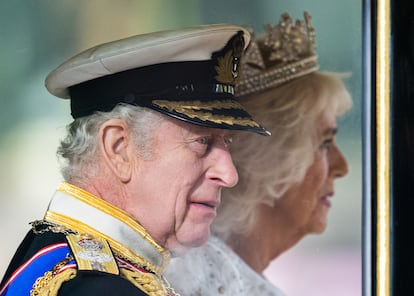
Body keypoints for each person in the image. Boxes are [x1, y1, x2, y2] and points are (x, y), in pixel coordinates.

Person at [0, 24, 271, 296]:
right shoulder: (95, 287)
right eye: (202, 142)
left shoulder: (75, 267)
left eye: (227, 142)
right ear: (119, 148)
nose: (229, 174)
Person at [165, 12, 353, 295]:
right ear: (268, 155)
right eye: (324, 143)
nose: (342, 167)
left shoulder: (225, 276)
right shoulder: (192, 283)